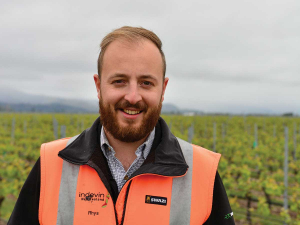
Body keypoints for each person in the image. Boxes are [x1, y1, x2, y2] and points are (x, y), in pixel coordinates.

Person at [8, 26, 235, 225]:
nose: (133, 96)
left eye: (146, 83)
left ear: (163, 90)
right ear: (98, 86)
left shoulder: (202, 172)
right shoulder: (52, 163)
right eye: (119, 81)